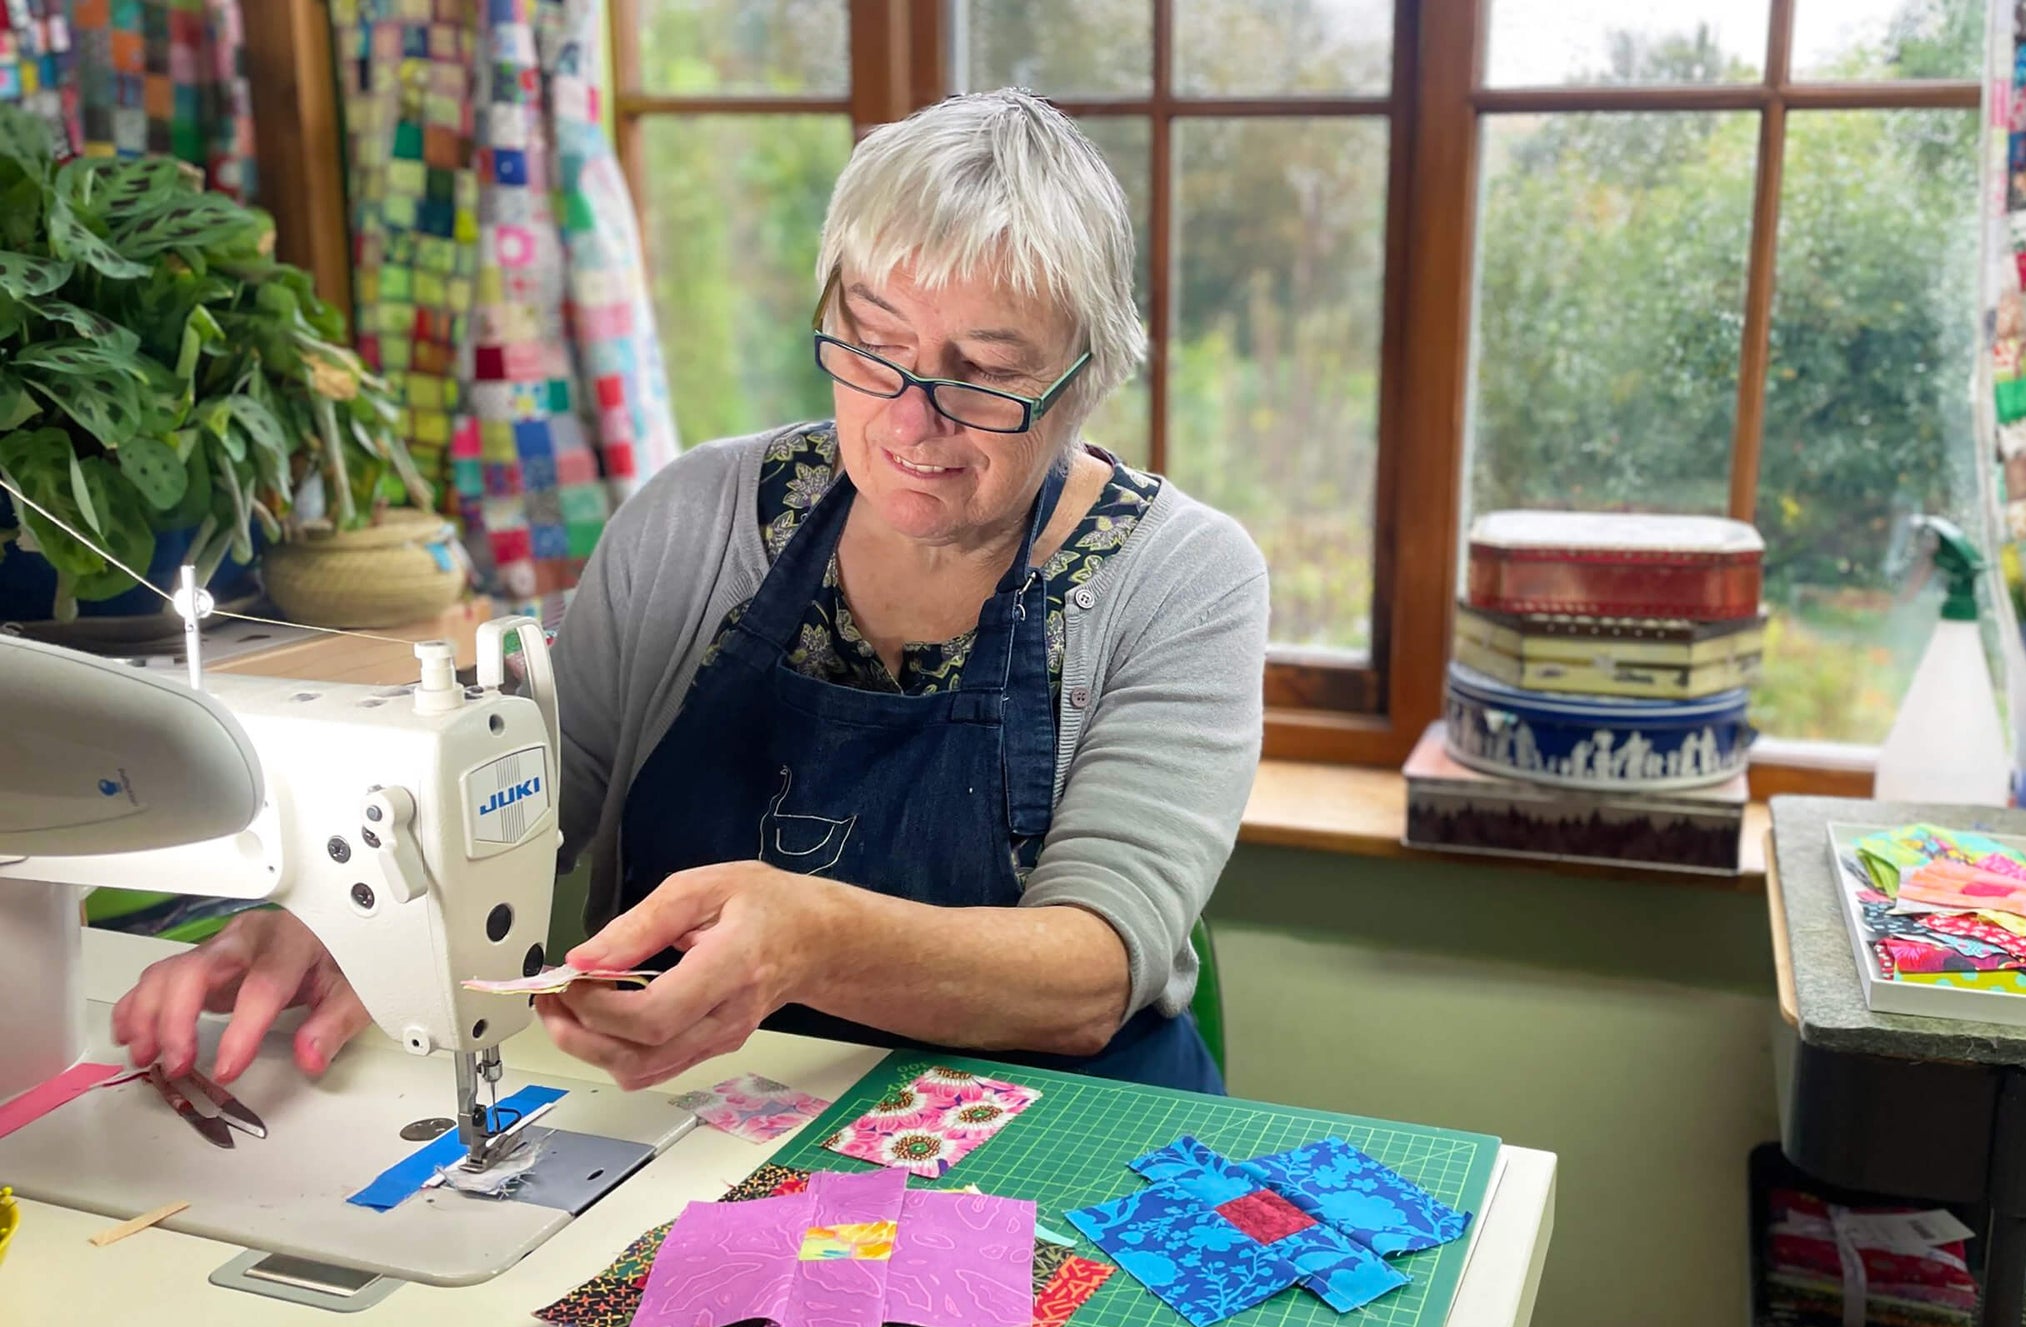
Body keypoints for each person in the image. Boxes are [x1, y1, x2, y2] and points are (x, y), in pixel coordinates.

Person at [110, 89, 1269, 1095]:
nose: (911, 421)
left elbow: (1090, 972)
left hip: (1066, 1128)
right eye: (874, 342)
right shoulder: (695, 519)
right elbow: (519, 794)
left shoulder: (1180, 578)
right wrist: (341, 918)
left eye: (986, 375)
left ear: (1085, 379)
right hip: (708, 1114)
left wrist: (813, 940)